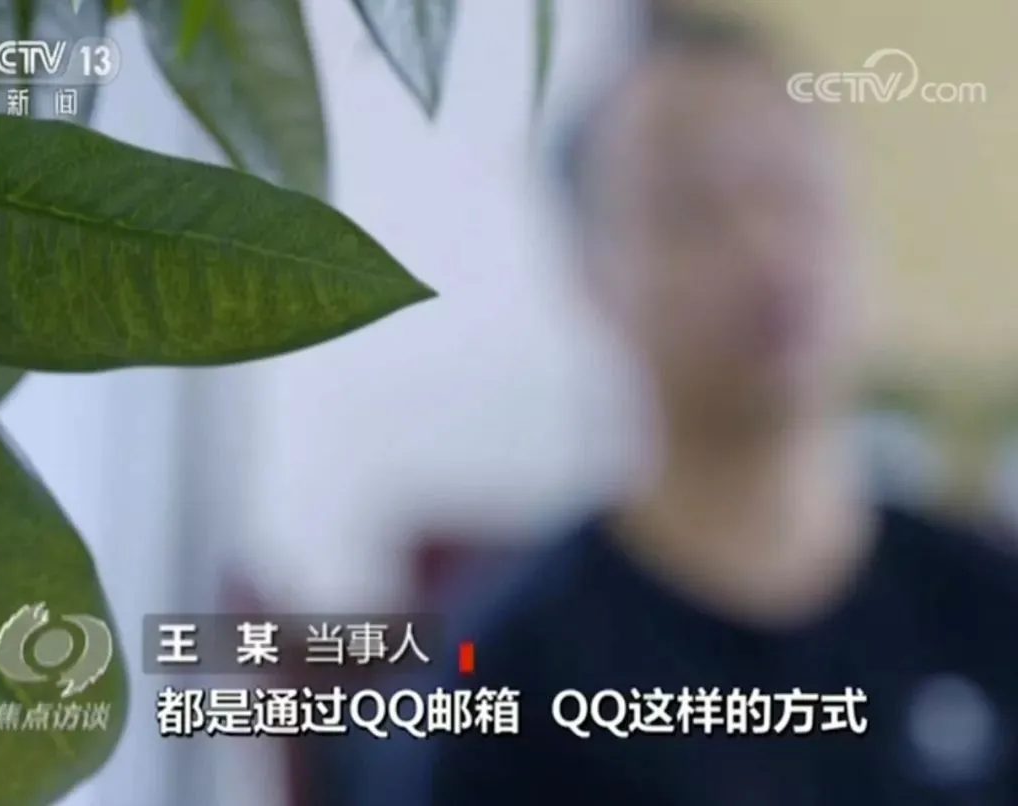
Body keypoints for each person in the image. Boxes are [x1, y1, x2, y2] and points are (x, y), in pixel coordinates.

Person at [360, 7, 1018, 805]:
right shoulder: (508, 682)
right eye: (693, 208)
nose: (763, 245)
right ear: (594, 274)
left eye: (788, 188)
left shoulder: (988, 610)